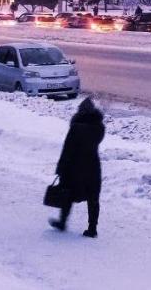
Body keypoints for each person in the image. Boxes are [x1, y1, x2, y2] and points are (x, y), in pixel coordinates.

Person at [50, 98, 105, 238]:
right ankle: (92, 229)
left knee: (67, 194)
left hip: (74, 167)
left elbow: (67, 149)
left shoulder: (76, 128)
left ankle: (62, 222)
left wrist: (60, 168)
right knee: (93, 198)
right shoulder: (99, 128)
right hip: (93, 166)